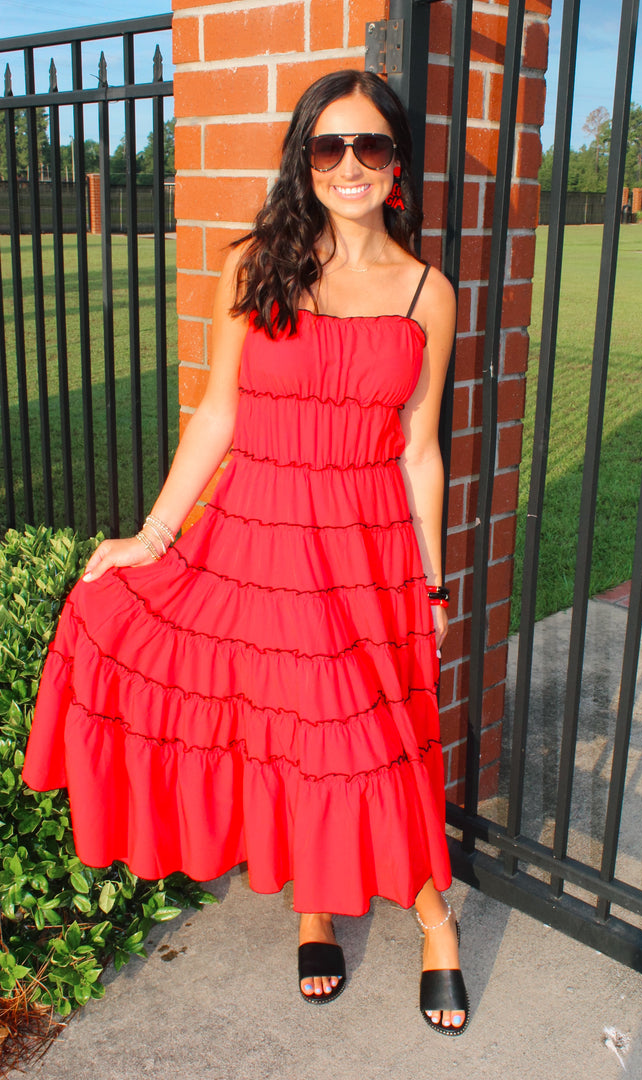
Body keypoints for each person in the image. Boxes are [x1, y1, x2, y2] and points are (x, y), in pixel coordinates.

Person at [22, 69, 468, 1035]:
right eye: (328, 147)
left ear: (396, 166)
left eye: (371, 147)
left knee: (368, 744)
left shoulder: (429, 294)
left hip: (363, 546)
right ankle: (315, 905)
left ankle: (436, 921)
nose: (349, 165)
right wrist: (151, 536)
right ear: (305, 160)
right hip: (257, 537)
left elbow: (420, 449)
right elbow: (217, 411)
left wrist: (432, 582)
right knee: (290, 730)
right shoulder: (257, 263)